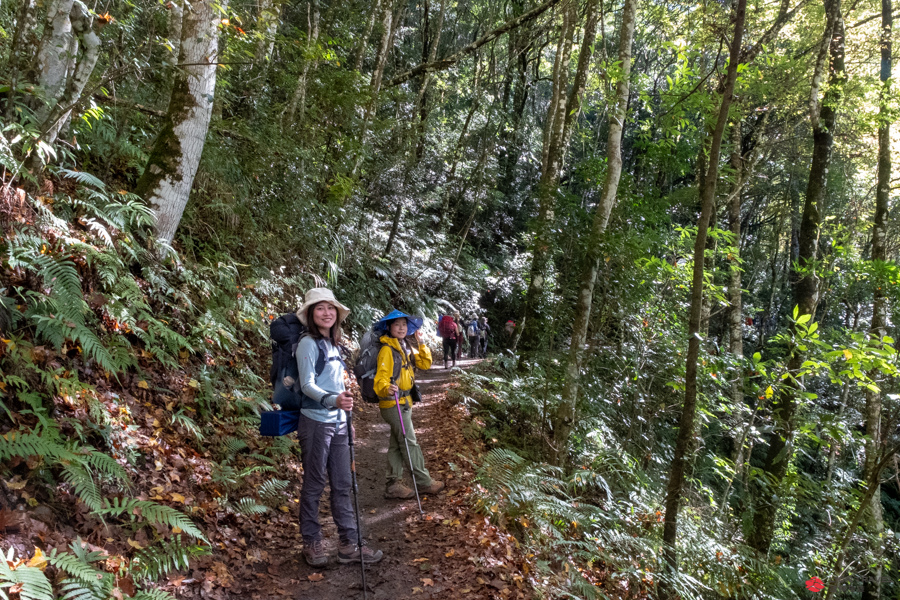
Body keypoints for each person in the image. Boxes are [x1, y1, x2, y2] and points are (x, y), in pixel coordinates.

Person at [296, 288, 383, 567]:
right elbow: (308, 384)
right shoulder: (308, 343)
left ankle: (350, 543)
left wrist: (348, 420)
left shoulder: (334, 344)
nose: (327, 313)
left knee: (344, 484)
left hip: (339, 424)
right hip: (316, 422)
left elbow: (339, 387)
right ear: (310, 314)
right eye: (320, 308)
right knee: (314, 484)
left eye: (330, 308)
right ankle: (312, 541)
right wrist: (333, 401)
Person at [373, 310, 445, 499]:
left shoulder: (404, 346)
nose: (401, 327)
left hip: (405, 402)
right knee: (409, 442)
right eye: (397, 324)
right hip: (393, 403)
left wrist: (421, 343)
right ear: (388, 328)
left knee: (398, 443)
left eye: (404, 324)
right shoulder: (387, 350)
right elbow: (380, 379)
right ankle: (423, 482)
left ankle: (393, 484)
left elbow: (425, 364)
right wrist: (385, 388)